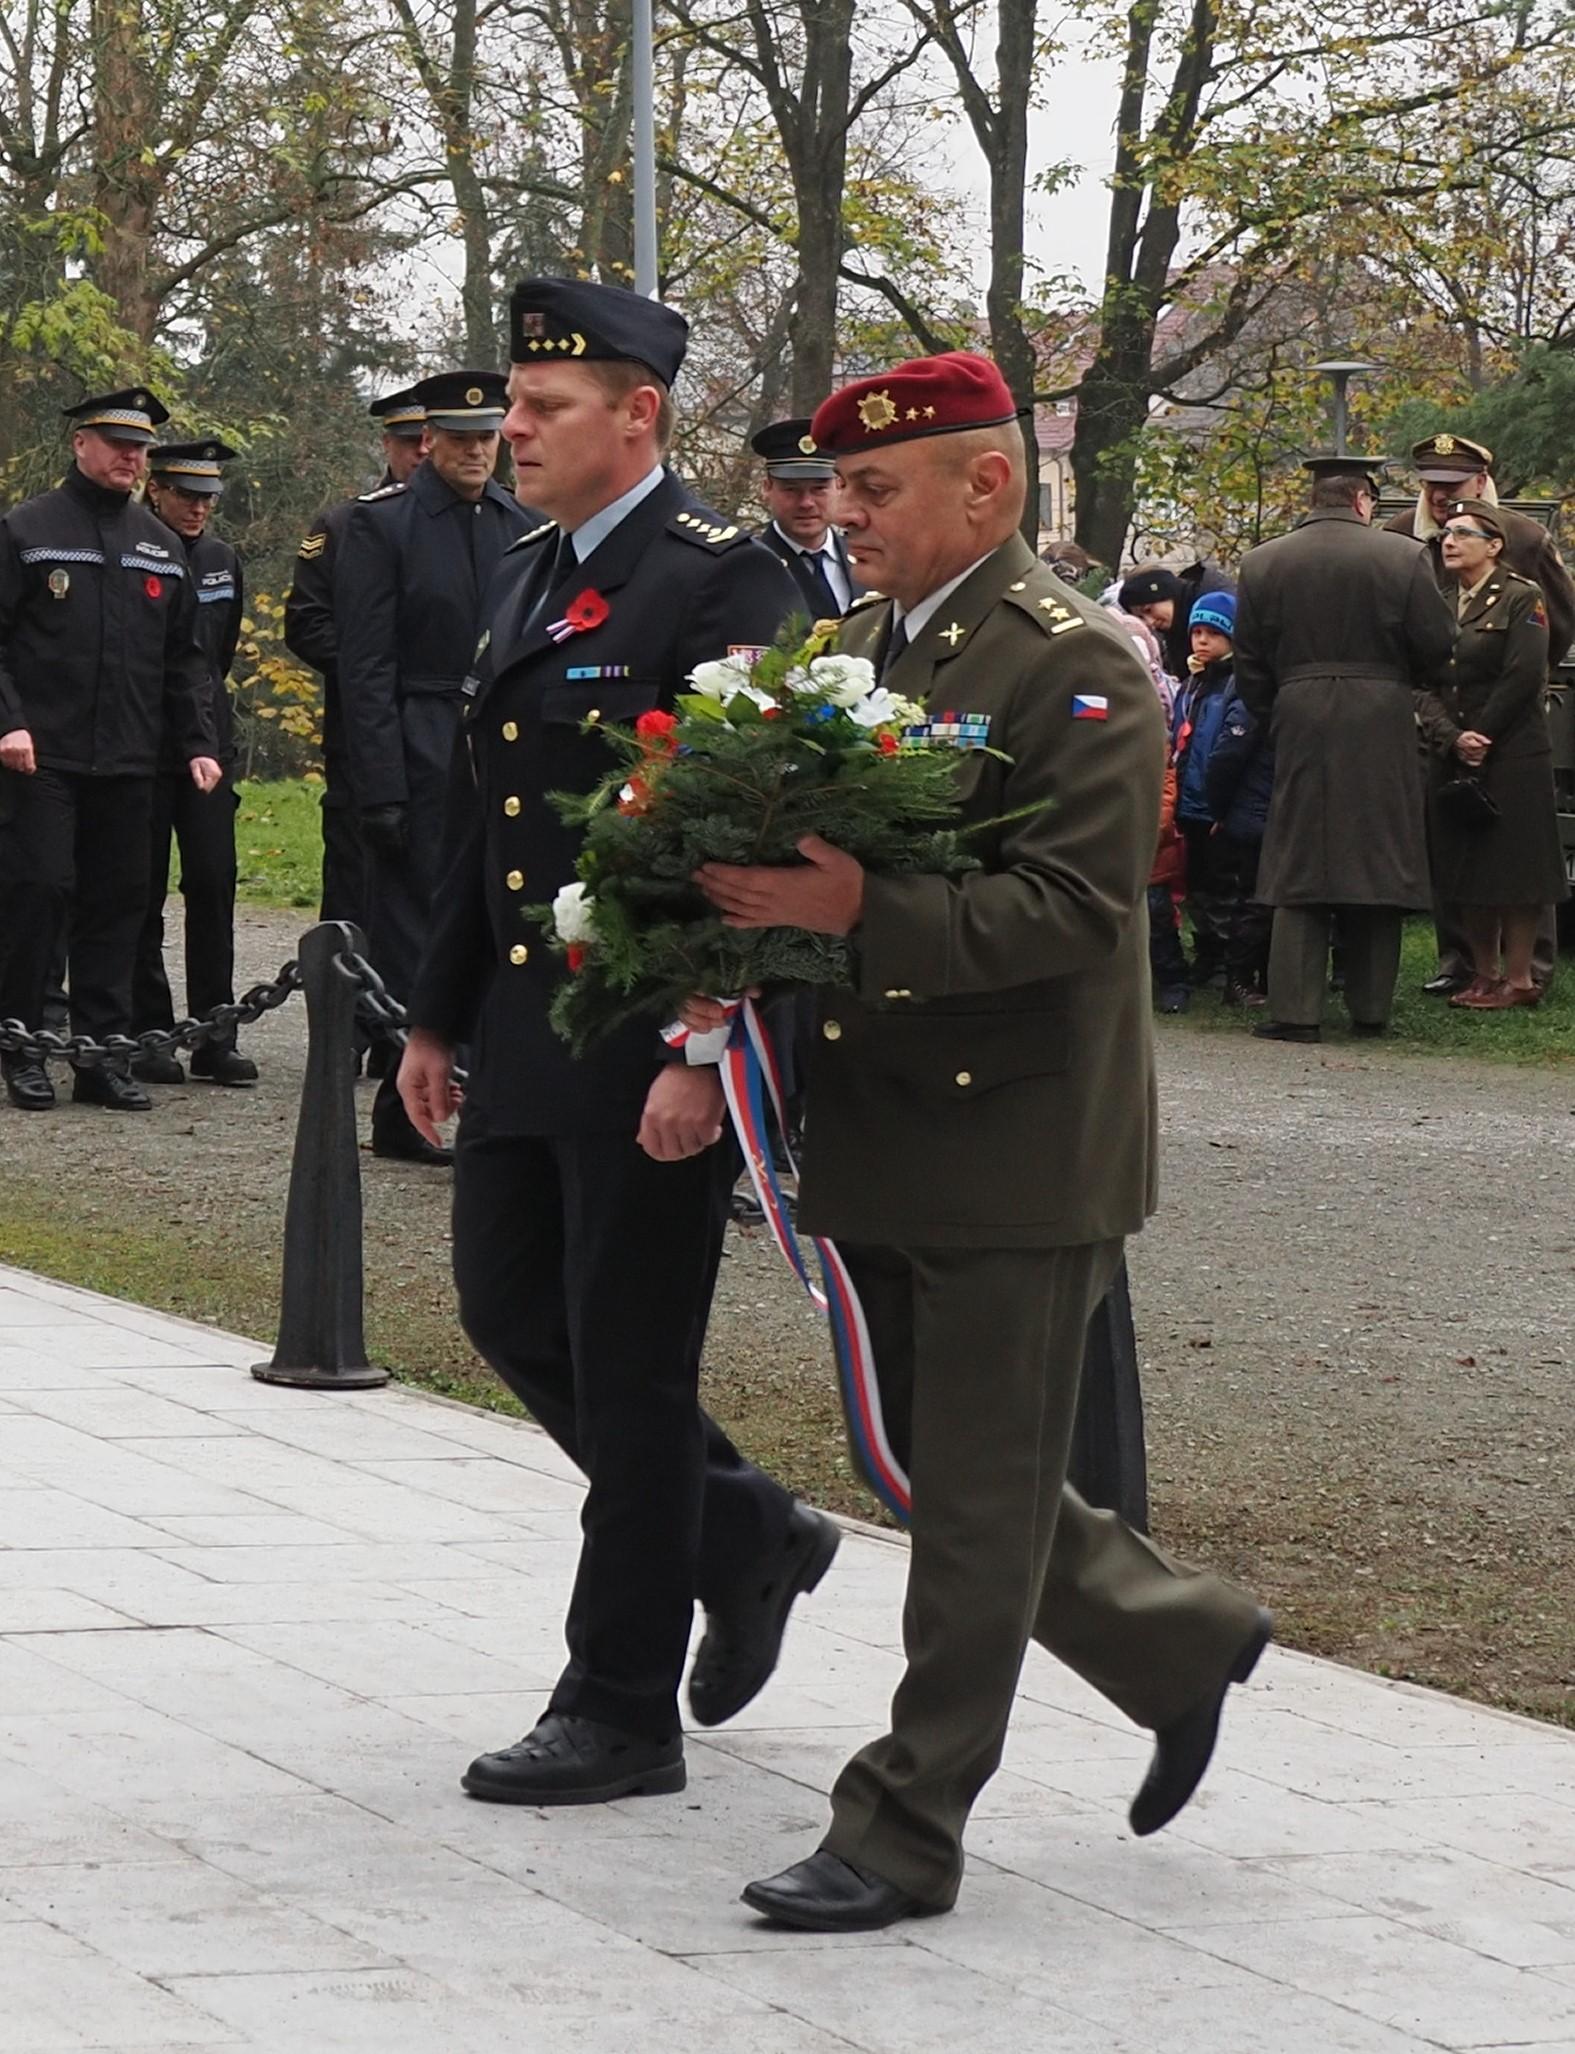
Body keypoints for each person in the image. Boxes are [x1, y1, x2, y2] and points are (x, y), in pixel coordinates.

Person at [687, 350, 1269, 1932]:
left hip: (1017, 1146)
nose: (839, 511)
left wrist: (854, 906)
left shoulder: (1068, 661)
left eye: (874, 488)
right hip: (880, 1124)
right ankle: (1175, 1635)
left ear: (986, 485)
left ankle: (900, 1824)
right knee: (955, 1476)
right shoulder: (858, 646)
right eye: (833, 488)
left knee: (974, 1499)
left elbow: (1078, 914)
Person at [397, 277, 833, 1807]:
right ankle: (742, 1533)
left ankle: (618, 1702)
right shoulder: (530, 573)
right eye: (511, 406)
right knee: (511, 1309)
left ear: (635, 414)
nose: (507, 430)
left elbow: (764, 822)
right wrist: (437, 1013)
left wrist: (702, 1042)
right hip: (529, 1026)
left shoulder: (718, 582)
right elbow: (488, 823)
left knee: (631, 1361)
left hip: (650, 1034)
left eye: (540, 408)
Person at [0, 389, 222, 1113]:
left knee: (119, 904)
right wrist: (10, 721)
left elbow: (186, 658)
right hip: (43, 755)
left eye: (141, 449)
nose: (131, 458)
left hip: (131, 759)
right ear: (81, 445)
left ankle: (101, 1055)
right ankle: (24, 1045)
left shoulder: (157, 543)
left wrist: (197, 742)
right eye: (118, 444)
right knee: (40, 893)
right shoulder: (29, 529)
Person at [335, 369, 530, 1163]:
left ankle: (483, 1099)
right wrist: (378, 783)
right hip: (417, 738)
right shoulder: (380, 527)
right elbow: (365, 667)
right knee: (414, 938)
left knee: (496, 925)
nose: (476, 452)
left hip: (495, 744)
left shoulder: (521, 522)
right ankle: (402, 1108)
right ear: (429, 442)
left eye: (488, 439)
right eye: (460, 439)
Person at [1234, 455, 1455, 1043]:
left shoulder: (1261, 563)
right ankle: (1371, 1008)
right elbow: (1437, 645)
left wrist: (1281, 708)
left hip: (1299, 711)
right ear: (1363, 501)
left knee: (1299, 860)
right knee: (1377, 859)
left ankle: (1294, 1011)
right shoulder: (1404, 556)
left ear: (1316, 500)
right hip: (1381, 716)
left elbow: (1249, 663)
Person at [1386, 432, 1574, 995]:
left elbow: (1560, 624)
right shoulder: (1399, 538)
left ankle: (1527, 966)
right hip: (1439, 718)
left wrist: (1505, 697)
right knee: (1454, 847)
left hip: (1508, 724)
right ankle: (1461, 962)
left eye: (1454, 487)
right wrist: (1447, 722)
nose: (1441, 498)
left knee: (1518, 852)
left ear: (1481, 483)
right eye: (1431, 486)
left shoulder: (1524, 538)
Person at [284, 387, 429, 944]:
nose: (419, 452)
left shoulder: (483, 521)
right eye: (408, 442)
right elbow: (307, 624)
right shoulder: (344, 525)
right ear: (387, 445)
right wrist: (374, 669)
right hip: (362, 733)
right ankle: (346, 1017)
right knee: (355, 878)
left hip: (442, 730)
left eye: (427, 440)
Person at [131, 438, 256, 1086]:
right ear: (155, 489)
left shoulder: (219, 560)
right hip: (138, 746)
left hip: (206, 745)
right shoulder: (133, 550)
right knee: (140, 889)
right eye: (187, 494)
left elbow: (217, 654)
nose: (199, 507)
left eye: (209, 497)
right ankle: (149, 1031)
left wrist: (204, 732)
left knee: (212, 882)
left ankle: (215, 1033)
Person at [1170, 589, 1237, 988]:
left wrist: (1222, 804)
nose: (1202, 641)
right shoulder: (1191, 685)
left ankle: (1229, 960)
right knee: (1196, 888)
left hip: (1217, 806)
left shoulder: (1235, 684)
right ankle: (1207, 953)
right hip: (1188, 803)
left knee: (1223, 887)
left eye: (1212, 633)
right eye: (1196, 632)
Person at [1203, 646, 1275, 1007]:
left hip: (1261, 808)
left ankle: (1262, 978)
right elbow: (1225, 758)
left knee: (1264, 899)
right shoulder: (1252, 700)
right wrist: (1221, 810)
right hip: (1254, 811)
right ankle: (1240, 980)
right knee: (1255, 902)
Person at [749, 418, 863, 616]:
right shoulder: (748, 567)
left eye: (819, 489)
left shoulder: (865, 558)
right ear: (767, 488)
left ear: (839, 486)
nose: (806, 503)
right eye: (791, 490)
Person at [1119, 557, 1233, 680]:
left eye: (1148, 610)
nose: (1149, 622)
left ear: (1167, 593)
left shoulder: (1218, 605)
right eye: (1141, 617)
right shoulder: (1174, 623)